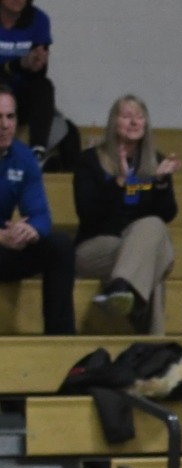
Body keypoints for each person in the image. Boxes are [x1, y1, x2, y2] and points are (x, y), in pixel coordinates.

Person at [73, 94, 176, 334]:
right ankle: (154, 345)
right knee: (156, 257)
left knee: (153, 226)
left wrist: (161, 182)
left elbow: (168, 213)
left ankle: (121, 288)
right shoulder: (90, 160)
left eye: (139, 116)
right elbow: (87, 213)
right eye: (127, 116)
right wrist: (119, 182)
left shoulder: (156, 162)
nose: (134, 122)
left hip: (136, 248)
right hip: (95, 247)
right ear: (114, 122)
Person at [0, 84, 69, 334]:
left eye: (10, 116)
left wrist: (30, 231)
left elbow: (41, 215)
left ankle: (61, 342)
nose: (5, 125)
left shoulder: (23, 157)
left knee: (60, 246)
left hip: (5, 248)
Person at [0, 1, 52, 152]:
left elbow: (39, 75)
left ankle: (38, 151)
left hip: (20, 98)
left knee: (44, 86)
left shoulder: (38, 19)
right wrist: (18, 65)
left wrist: (35, 63)